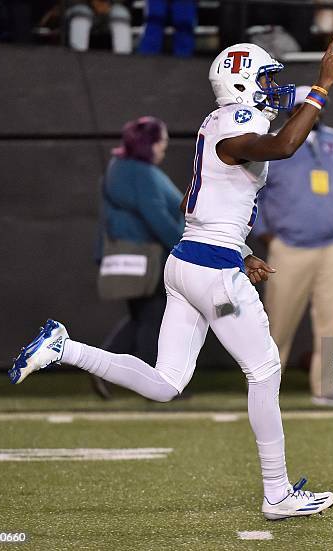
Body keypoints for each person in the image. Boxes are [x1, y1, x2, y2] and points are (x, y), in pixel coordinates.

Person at [8, 36, 333, 519]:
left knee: (167, 382)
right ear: (242, 83)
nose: (271, 88)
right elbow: (286, 144)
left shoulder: (223, 118)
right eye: (264, 78)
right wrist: (323, 88)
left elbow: (222, 194)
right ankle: (277, 492)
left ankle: (65, 348)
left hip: (188, 260)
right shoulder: (239, 120)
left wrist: (245, 250)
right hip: (211, 271)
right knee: (265, 370)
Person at [252, 85, 333, 407]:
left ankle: (327, 390)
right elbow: (254, 191)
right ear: (292, 111)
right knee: (278, 322)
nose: (312, 112)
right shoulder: (275, 143)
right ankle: (265, 390)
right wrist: (264, 232)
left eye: (316, 106)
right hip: (290, 246)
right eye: (304, 107)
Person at [93, 116, 185, 399]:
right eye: (161, 141)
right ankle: (154, 386)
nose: (164, 147)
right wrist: (185, 246)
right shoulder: (141, 173)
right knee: (153, 318)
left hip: (136, 255)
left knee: (141, 317)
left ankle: (99, 367)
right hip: (149, 256)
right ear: (149, 143)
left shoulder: (118, 168)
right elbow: (157, 217)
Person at [65, 0, 132, 54]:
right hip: (80, 7)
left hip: (109, 9)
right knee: (81, 13)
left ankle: (122, 57)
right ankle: (78, 55)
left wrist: (109, 3)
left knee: (120, 14)